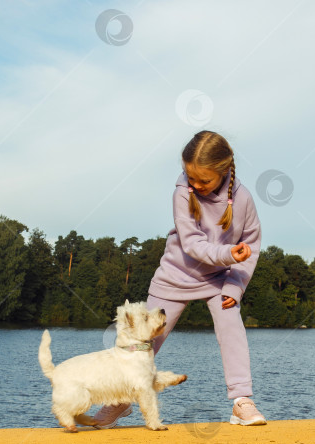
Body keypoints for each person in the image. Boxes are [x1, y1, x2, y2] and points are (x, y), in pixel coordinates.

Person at [93, 130, 266, 428]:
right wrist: (229, 253)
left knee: (231, 327)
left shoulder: (244, 199)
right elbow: (192, 244)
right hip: (175, 275)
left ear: (224, 171)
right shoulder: (182, 193)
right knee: (142, 343)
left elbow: (252, 245)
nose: (196, 185)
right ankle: (119, 401)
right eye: (191, 177)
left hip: (219, 278)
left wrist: (235, 285)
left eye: (204, 180)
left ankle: (242, 401)